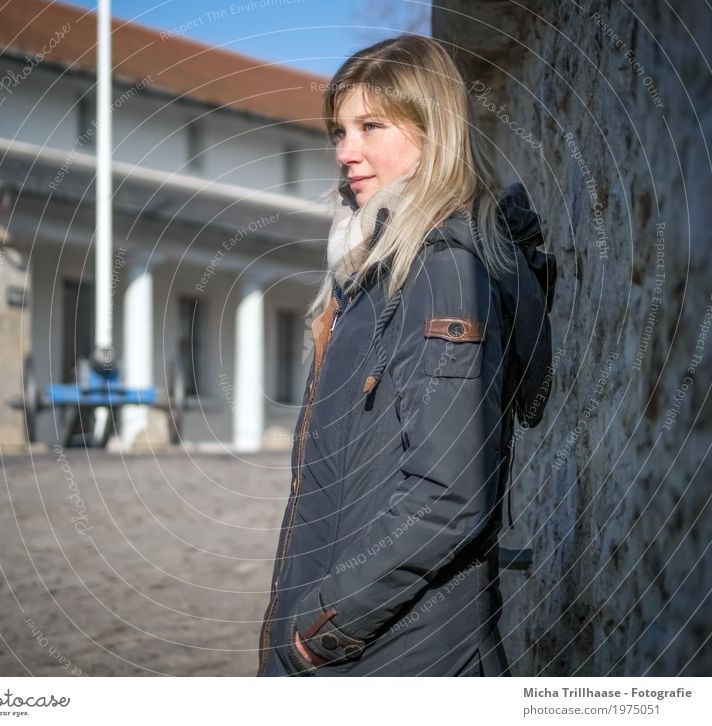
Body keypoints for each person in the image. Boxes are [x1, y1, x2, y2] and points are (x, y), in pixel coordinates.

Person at [257, 34, 556, 677]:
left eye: (370, 126)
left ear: (433, 129)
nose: (345, 152)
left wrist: (326, 624)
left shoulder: (445, 272)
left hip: (405, 650)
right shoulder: (370, 270)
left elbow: (450, 494)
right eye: (339, 131)